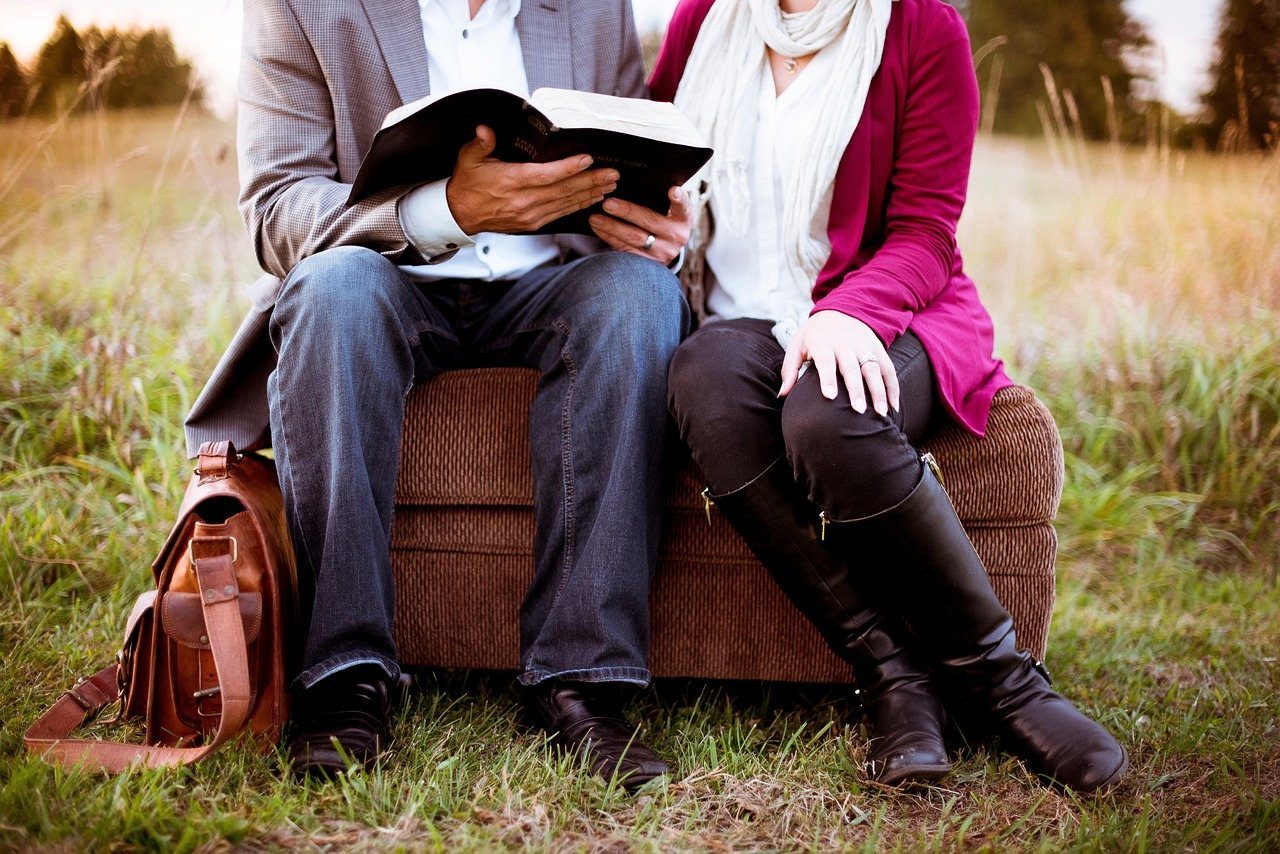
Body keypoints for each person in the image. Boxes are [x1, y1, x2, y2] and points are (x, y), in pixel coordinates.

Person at [184, 0, 693, 788]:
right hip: (385, 275)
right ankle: (347, 677)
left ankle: (581, 681)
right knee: (333, 291)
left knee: (640, 297)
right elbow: (276, 209)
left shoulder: (597, 7)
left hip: (550, 282)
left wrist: (649, 219)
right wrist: (445, 211)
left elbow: (626, 163)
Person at [652, 0, 1128, 792]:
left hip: (889, 309)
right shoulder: (701, 21)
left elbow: (926, 228)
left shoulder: (920, 25)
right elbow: (653, 169)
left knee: (828, 411)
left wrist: (846, 313)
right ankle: (894, 675)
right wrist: (642, 218)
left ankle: (1002, 682)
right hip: (736, 321)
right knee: (701, 377)